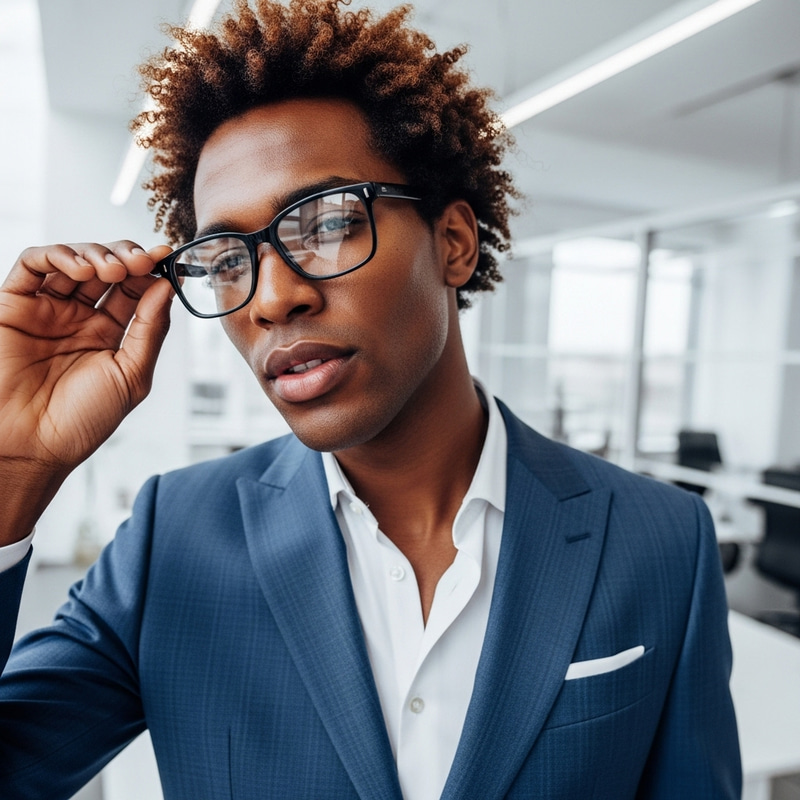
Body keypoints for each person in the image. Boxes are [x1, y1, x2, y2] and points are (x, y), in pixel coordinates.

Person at [0, 1, 741, 798]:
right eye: (226, 258)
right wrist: (14, 471)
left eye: (324, 224)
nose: (271, 298)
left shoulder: (662, 541)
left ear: (453, 244)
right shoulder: (171, 539)